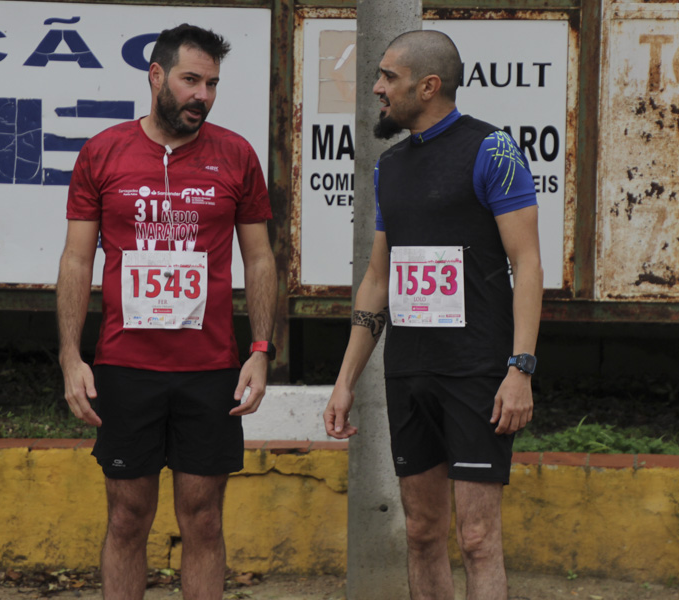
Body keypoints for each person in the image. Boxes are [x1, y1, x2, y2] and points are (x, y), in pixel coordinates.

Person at [56, 23, 277, 600]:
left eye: (212, 83)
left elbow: (259, 260)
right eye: (190, 80)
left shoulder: (236, 155)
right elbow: (77, 261)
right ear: (157, 76)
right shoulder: (102, 152)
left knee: (202, 519)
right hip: (126, 365)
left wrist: (260, 350)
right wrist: (70, 356)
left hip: (209, 368)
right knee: (128, 516)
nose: (202, 94)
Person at [323, 29, 543, 600]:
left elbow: (529, 264)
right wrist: (345, 381)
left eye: (388, 77)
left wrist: (521, 368)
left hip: (478, 374)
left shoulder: (492, 151)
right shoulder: (388, 168)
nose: (376, 87)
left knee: (476, 537)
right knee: (421, 533)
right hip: (410, 371)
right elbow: (377, 279)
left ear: (428, 85)